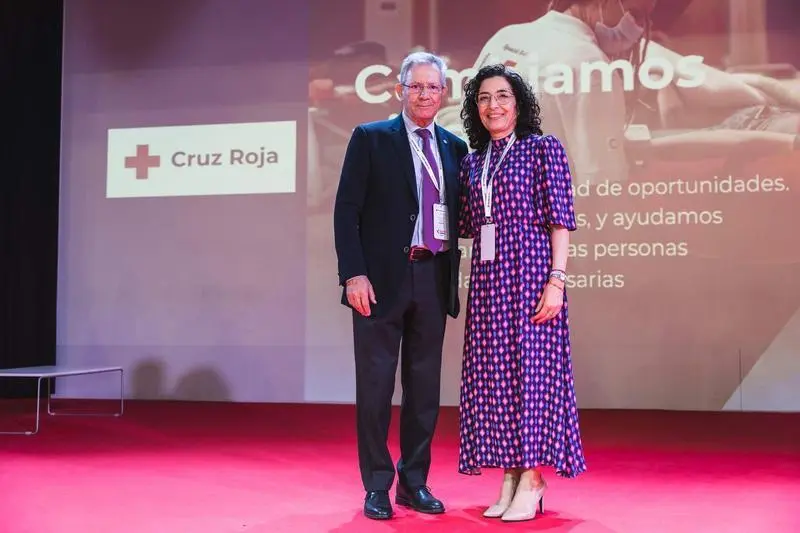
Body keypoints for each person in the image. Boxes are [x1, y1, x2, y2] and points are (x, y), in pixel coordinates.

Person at [333, 51, 468, 520]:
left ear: (443, 93)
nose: (425, 94)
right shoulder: (371, 138)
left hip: (433, 276)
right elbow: (346, 210)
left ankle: (414, 482)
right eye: (417, 86)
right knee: (374, 387)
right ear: (400, 91)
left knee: (424, 388)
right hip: (379, 282)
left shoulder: (455, 147)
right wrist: (353, 273)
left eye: (433, 87)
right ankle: (376, 485)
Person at [456, 63, 587, 522]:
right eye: (485, 98)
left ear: (520, 103)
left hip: (532, 275)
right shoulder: (473, 161)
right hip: (490, 282)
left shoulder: (541, 148)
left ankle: (533, 477)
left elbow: (560, 220)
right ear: (476, 108)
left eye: (503, 96)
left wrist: (557, 279)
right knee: (497, 378)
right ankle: (510, 473)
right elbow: (470, 226)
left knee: (530, 376)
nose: (494, 105)